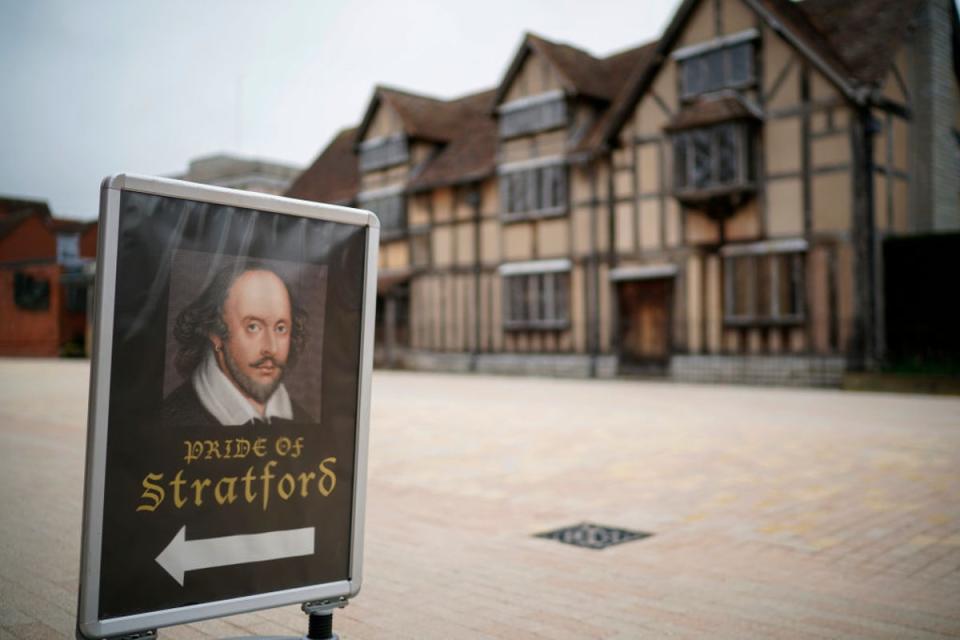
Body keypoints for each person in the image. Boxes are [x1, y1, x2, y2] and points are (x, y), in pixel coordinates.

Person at [162, 261, 314, 426]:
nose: (271, 348)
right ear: (216, 334)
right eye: (253, 327)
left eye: (280, 328)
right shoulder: (175, 419)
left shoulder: (302, 419)